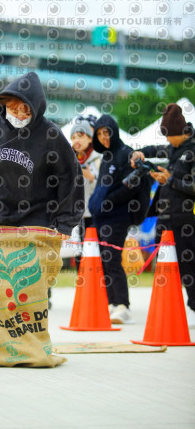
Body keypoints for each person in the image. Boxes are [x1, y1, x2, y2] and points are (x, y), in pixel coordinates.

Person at [0, 72, 84, 367]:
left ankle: (30, 346)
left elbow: (69, 177)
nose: (18, 113)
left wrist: (66, 222)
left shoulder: (51, 135)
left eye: (25, 108)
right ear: (4, 105)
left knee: (28, 289)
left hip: (35, 223)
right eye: (13, 107)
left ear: (36, 107)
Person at [130, 103, 195, 328]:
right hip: (165, 217)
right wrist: (140, 152)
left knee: (189, 268)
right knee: (164, 266)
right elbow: (156, 149)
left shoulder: (192, 150)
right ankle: (166, 308)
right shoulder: (174, 148)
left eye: (170, 137)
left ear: (181, 133)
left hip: (187, 219)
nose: (168, 142)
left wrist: (171, 181)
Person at [88, 115, 142, 324]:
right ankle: (111, 303)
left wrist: (108, 202)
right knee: (104, 260)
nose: (103, 137)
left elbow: (132, 186)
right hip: (101, 218)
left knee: (112, 259)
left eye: (106, 132)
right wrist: (97, 204)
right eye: (100, 134)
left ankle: (122, 306)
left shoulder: (126, 153)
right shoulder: (107, 157)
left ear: (114, 131)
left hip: (118, 217)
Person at [70, 116, 101, 269]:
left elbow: (103, 185)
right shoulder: (69, 159)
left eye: (81, 136)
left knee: (94, 252)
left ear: (90, 138)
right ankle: (82, 287)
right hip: (75, 215)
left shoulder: (98, 158)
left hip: (94, 214)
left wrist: (90, 176)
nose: (77, 140)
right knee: (78, 253)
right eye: (74, 137)